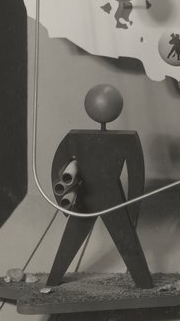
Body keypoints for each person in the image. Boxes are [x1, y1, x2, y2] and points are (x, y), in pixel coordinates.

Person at [45, 85, 152, 289]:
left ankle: (145, 284)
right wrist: (132, 213)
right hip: (95, 200)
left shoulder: (75, 138)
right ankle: (144, 284)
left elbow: (56, 167)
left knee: (128, 246)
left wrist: (64, 207)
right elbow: (137, 179)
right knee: (74, 244)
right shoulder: (126, 139)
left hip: (101, 200)